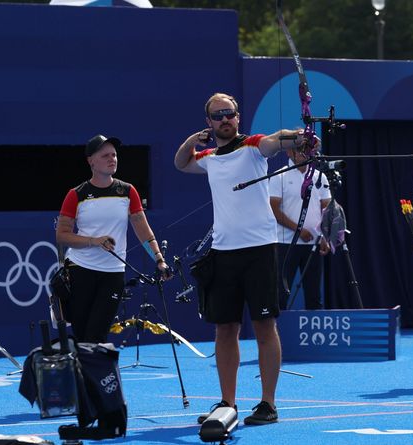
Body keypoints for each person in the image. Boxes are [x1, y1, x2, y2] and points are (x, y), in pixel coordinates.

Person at [174, 92, 313, 425]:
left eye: (230, 113)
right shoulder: (207, 156)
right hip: (224, 253)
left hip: (259, 251)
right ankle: (227, 402)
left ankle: (268, 403)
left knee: (265, 327)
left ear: (238, 116)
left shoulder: (253, 146)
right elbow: (181, 163)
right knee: (225, 329)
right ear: (209, 122)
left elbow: (275, 141)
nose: (225, 119)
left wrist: (299, 138)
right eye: (218, 115)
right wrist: (191, 141)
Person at [56, 134, 169, 344]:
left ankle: (95, 375)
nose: (112, 159)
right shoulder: (76, 194)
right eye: (105, 155)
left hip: (113, 273)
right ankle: (84, 377)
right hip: (80, 270)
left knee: (97, 334)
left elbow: (143, 230)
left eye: (114, 155)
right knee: (82, 335)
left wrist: (159, 260)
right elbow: (62, 235)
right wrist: (93, 240)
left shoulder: (127, 191)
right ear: (91, 161)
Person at [269, 148, 331, 310]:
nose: (305, 153)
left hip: (314, 244)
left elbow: (326, 207)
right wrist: (299, 230)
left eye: (307, 150)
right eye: (300, 150)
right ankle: (277, 335)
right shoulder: (280, 176)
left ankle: (313, 335)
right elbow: (273, 209)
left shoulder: (320, 176)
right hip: (285, 244)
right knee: (281, 294)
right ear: (289, 152)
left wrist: (325, 236)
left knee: (314, 295)